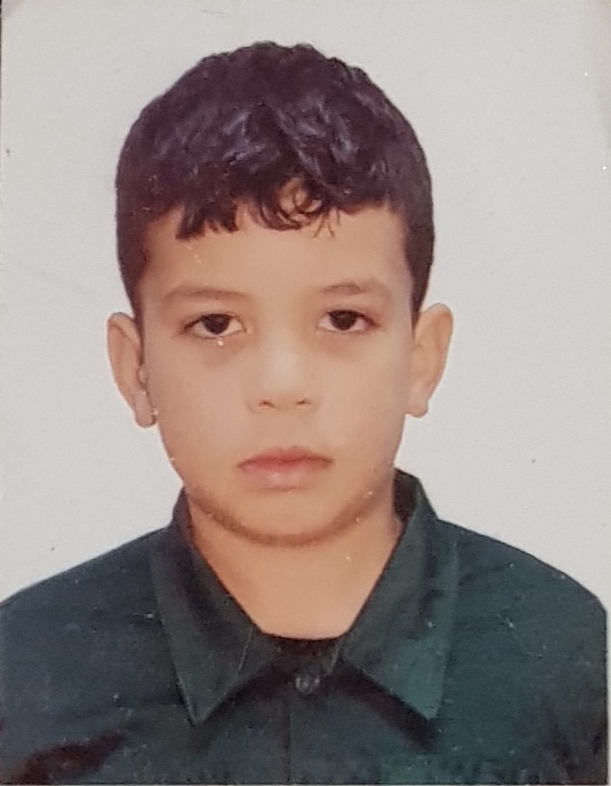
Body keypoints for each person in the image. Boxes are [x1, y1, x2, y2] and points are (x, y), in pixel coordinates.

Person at [0, 41, 605, 785]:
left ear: (421, 358)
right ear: (137, 369)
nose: (282, 386)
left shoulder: (567, 657)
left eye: (343, 320)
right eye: (216, 325)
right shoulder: (26, 674)